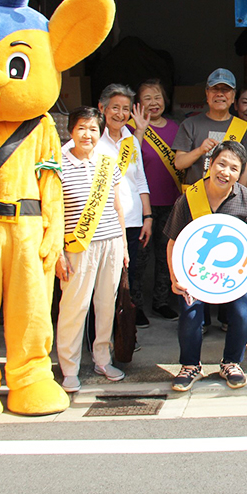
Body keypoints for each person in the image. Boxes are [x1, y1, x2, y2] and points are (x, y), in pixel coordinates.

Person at [164, 141, 247, 392]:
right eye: (221, 164)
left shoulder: (246, 197)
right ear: (210, 164)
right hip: (194, 272)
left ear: (240, 174)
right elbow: (173, 241)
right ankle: (190, 365)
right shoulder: (190, 197)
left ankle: (231, 363)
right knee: (190, 311)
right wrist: (175, 277)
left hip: (232, 272)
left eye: (234, 168)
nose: (225, 172)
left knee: (241, 313)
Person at [55, 107, 129, 393]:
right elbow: (54, 211)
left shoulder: (108, 162)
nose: (88, 134)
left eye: (93, 129)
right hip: (77, 246)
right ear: (71, 131)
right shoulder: (57, 164)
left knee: (105, 305)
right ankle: (69, 368)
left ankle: (102, 358)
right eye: (82, 128)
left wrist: (123, 244)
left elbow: (117, 206)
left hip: (110, 241)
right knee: (75, 306)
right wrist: (59, 252)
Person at [96, 84, 154, 332]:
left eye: (125, 109)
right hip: (101, 222)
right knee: (103, 282)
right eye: (115, 108)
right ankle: (99, 335)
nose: (120, 114)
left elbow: (139, 178)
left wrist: (147, 216)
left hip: (131, 220)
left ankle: (123, 334)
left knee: (128, 279)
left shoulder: (130, 139)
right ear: (102, 108)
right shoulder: (92, 139)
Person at [129, 79, 181, 323]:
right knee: (139, 258)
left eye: (157, 97)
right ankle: (135, 305)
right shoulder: (131, 128)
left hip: (171, 202)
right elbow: (129, 161)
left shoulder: (176, 128)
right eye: (147, 98)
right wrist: (139, 130)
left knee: (165, 254)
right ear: (138, 103)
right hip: (142, 206)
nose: (153, 103)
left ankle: (161, 302)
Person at [172, 68, 247, 187]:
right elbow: (179, 163)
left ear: (233, 96)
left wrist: (239, 200)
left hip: (229, 200)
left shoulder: (243, 128)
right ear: (207, 94)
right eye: (214, 89)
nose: (219, 94)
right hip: (195, 198)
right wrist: (200, 150)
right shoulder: (190, 124)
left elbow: (246, 171)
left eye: (225, 90)